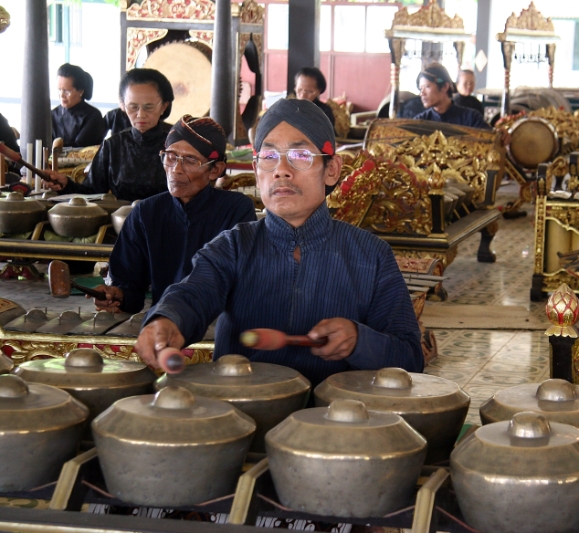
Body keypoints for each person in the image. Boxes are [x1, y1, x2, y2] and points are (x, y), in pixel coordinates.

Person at [134, 99, 424, 386]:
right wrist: (167, 320)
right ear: (257, 171)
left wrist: (360, 341)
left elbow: (410, 358)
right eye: (269, 157)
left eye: (300, 155)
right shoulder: (232, 247)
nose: (281, 170)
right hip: (242, 415)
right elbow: (193, 294)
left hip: (337, 422)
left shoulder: (371, 255)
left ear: (332, 169)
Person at [93, 115, 256, 314]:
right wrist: (118, 296)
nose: (176, 170)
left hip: (218, 323)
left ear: (215, 170)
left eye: (190, 160)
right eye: (170, 157)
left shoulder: (236, 209)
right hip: (164, 324)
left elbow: (237, 282)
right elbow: (129, 286)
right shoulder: (146, 213)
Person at [44, 68, 175, 202]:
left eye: (148, 107)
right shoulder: (113, 145)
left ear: (164, 106)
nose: (140, 114)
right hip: (121, 219)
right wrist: (65, 184)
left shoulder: (176, 146)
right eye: (133, 107)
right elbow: (91, 191)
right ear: (123, 105)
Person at [413, 63, 489, 129]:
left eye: (427, 87)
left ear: (445, 86)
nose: (422, 93)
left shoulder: (472, 119)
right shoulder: (418, 123)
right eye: (421, 89)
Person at [51, 64, 106, 148]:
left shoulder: (93, 116)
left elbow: (79, 147)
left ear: (80, 91)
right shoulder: (52, 114)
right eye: (59, 90)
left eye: (66, 91)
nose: (61, 95)